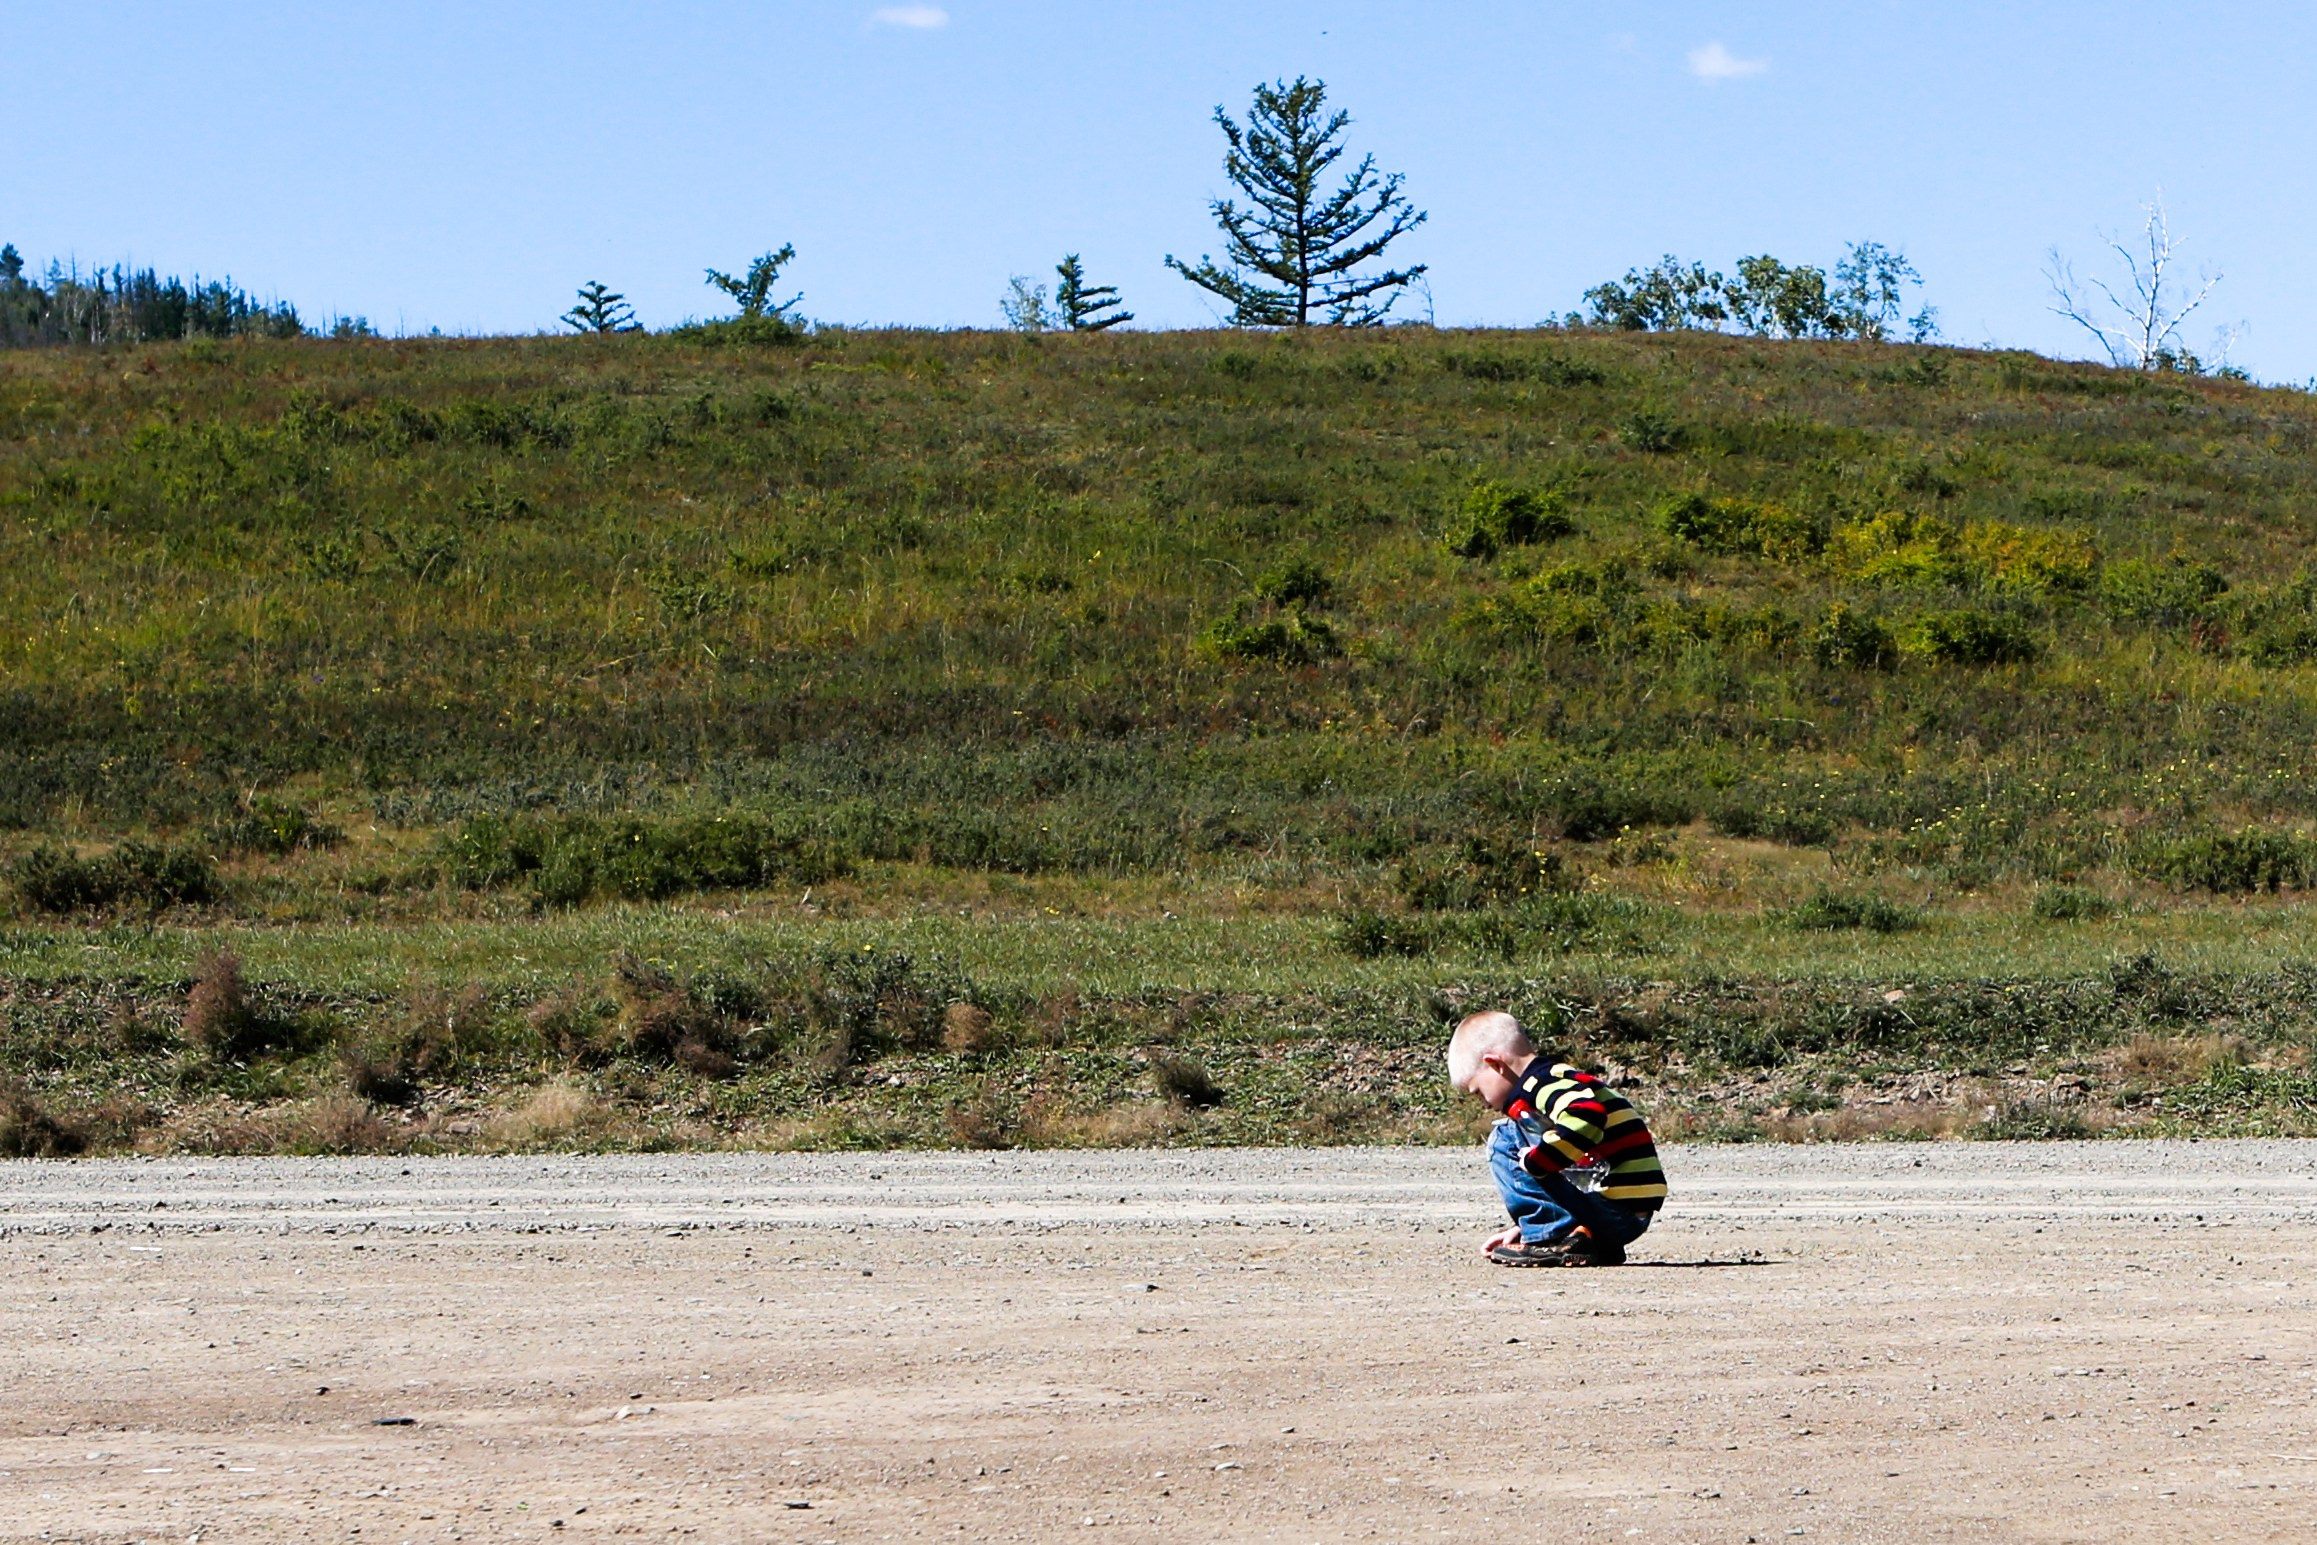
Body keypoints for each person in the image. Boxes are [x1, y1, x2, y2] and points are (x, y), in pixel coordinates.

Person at [1444, 1009, 1667, 1266]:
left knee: (1505, 1137)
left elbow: (1587, 1114)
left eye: (1478, 1092)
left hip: (1615, 1212)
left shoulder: (1542, 1083)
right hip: (1624, 1215)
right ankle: (1580, 1240)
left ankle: (1553, 1234)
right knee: (1533, 1133)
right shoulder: (1557, 1079)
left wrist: (1537, 1162)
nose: (1483, 1103)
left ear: (1496, 1064)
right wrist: (1525, 1230)